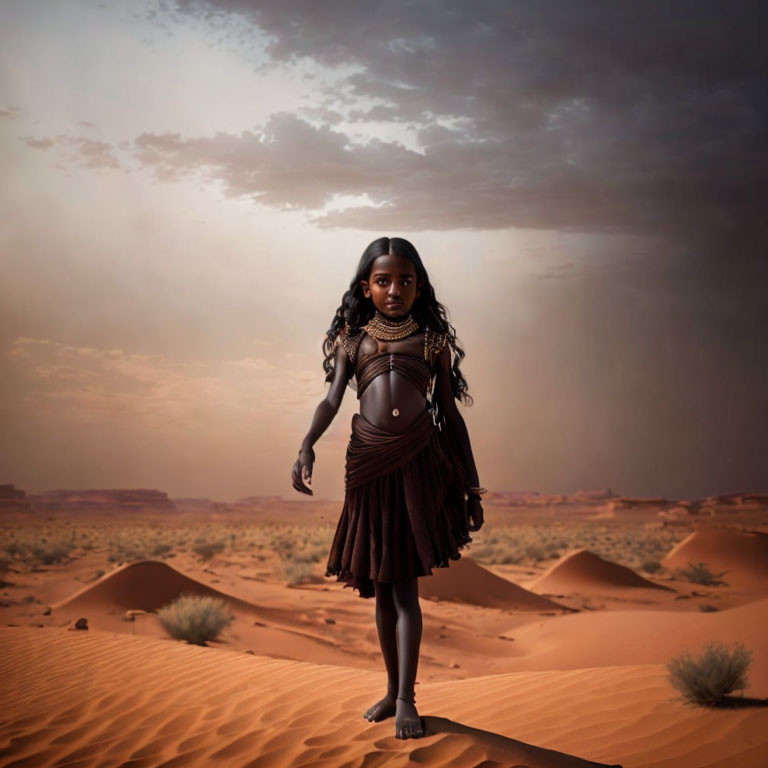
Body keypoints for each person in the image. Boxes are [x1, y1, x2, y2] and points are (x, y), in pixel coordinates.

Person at [291, 236, 485, 740]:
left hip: (418, 464)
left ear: (419, 287)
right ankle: (390, 688)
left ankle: (406, 698)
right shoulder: (353, 342)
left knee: (404, 590)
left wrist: (472, 486)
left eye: (405, 280)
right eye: (383, 281)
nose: (394, 289)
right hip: (369, 466)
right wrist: (306, 444)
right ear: (366, 287)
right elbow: (332, 400)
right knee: (381, 585)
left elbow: (451, 414)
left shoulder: (432, 343)